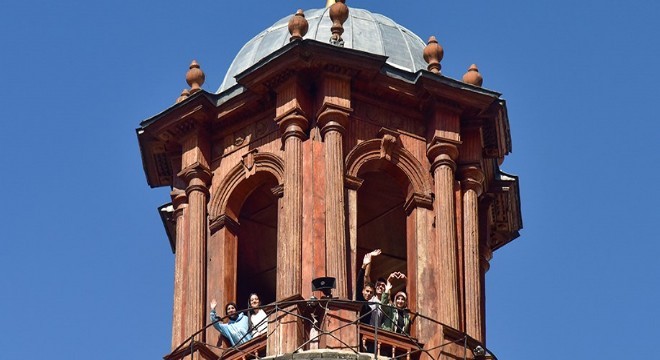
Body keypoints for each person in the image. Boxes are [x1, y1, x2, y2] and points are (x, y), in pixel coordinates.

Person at [357, 249, 384, 327]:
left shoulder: (369, 309)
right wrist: (364, 266)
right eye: (367, 291)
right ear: (363, 291)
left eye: (371, 292)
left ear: (373, 295)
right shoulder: (359, 298)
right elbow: (361, 281)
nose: (368, 294)